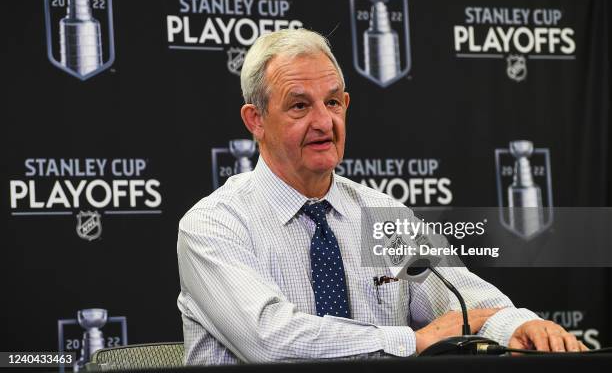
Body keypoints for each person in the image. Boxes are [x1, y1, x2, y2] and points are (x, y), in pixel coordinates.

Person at [176, 28, 586, 365]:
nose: (324, 121)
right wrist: (413, 341)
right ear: (256, 121)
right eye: (299, 106)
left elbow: (465, 303)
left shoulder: (382, 215)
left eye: (333, 102)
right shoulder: (215, 225)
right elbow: (271, 342)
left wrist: (519, 326)